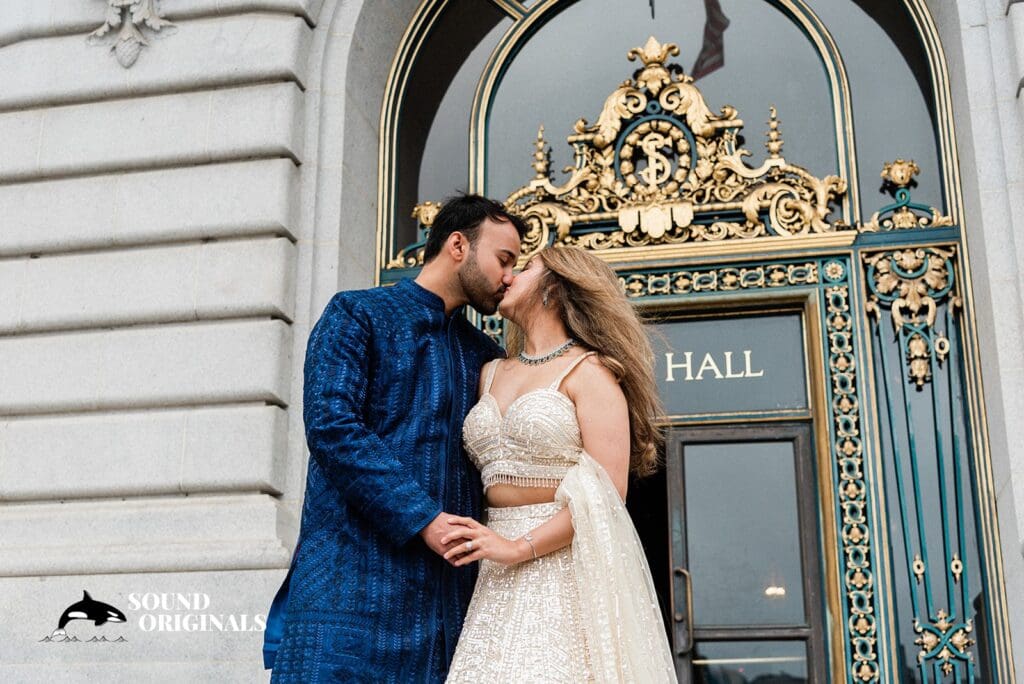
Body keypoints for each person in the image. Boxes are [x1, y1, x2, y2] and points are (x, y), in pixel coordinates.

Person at [263, 194, 526, 682]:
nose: (509, 275)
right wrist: (423, 518)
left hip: (447, 609)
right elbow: (331, 427)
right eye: (503, 259)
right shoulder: (356, 314)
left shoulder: (483, 354)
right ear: (456, 245)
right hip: (346, 594)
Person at [442, 245, 678, 682]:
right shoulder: (488, 371)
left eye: (525, 267)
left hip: (561, 566)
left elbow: (607, 496)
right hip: (490, 570)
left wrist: (518, 547)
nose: (509, 276)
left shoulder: (592, 373)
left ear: (554, 287)